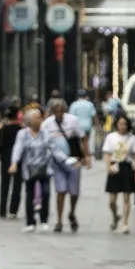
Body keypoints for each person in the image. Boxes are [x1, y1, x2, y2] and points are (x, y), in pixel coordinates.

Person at [11, 104, 56, 232]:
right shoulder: (22, 134)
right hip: (29, 168)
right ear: (30, 120)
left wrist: (66, 160)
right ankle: (30, 221)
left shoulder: (45, 133)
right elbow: (18, 148)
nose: (40, 120)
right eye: (38, 117)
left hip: (44, 167)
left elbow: (53, 148)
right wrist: (14, 162)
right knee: (29, 194)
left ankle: (44, 219)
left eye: (41, 117)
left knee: (46, 193)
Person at [47, 97, 87, 233]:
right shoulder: (47, 124)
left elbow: (82, 137)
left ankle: (72, 212)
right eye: (56, 111)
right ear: (52, 112)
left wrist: (86, 156)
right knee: (61, 191)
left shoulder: (73, 121)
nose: (59, 113)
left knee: (74, 191)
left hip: (74, 160)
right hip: (58, 163)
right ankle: (59, 221)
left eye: (61, 111)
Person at [102, 112, 135, 233]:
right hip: (114, 166)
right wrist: (108, 166)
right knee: (112, 200)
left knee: (127, 197)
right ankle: (115, 215)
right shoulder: (111, 137)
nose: (123, 126)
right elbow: (107, 153)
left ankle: (125, 223)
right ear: (116, 124)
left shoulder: (133, 138)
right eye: (120, 123)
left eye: (125, 124)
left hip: (126, 167)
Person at [0, 102, 24, 219]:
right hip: (18, 161)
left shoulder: (3, 129)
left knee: (4, 185)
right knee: (17, 185)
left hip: (5, 160)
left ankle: (2, 210)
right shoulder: (21, 130)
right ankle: (13, 210)